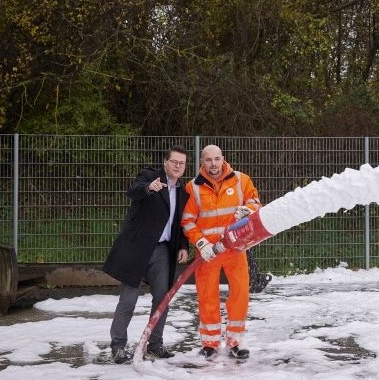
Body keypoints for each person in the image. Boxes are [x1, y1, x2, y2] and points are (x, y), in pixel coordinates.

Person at [103, 146, 190, 363]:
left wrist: (183, 246)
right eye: (174, 162)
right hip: (137, 248)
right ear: (165, 162)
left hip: (163, 251)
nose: (178, 166)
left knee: (163, 299)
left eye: (182, 163)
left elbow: (181, 223)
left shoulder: (182, 191)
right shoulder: (150, 177)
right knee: (128, 299)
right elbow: (133, 191)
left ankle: (155, 344)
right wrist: (148, 188)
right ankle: (118, 347)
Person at [181, 144, 262, 360]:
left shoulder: (240, 180)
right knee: (207, 296)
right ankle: (210, 343)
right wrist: (200, 244)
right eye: (208, 160)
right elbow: (187, 221)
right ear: (202, 163)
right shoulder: (193, 187)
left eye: (217, 159)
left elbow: (255, 202)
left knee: (240, 293)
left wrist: (250, 210)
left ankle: (235, 342)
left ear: (223, 159)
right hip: (208, 252)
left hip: (235, 248)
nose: (213, 164)